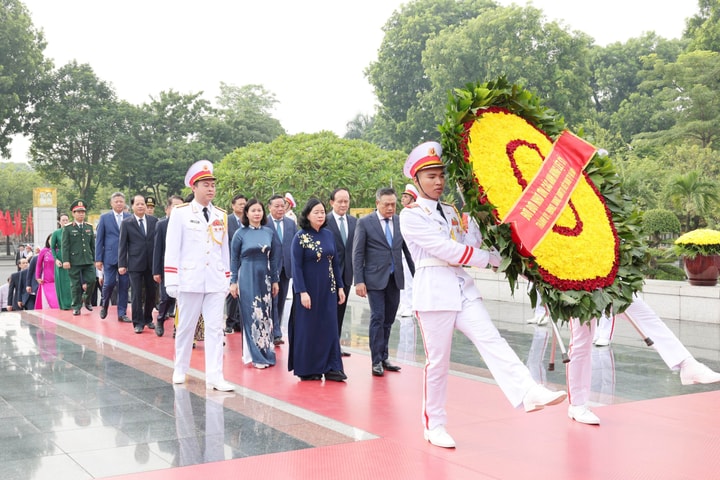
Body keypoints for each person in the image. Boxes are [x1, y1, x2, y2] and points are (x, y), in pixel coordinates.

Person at [399, 141, 567, 449]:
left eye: (441, 176)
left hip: (462, 289)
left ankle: (528, 390)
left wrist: (476, 214)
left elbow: (469, 240)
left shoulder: (451, 211)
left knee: (492, 340)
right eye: (431, 176)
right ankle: (434, 424)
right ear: (417, 180)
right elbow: (446, 250)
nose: (439, 182)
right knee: (438, 363)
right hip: (434, 292)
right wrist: (488, 259)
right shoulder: (410, 215)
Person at [565, 295, 720, 425]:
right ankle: (577, 404)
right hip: (578, 284)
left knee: (645, 315)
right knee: (581, 342)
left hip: (611, 279)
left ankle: (687, 364)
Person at [164, 160, 233, 392]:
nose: (211, 189)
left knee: (215, 329)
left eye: (213, 184)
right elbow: (172, 247)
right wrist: (171, 279)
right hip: (189, 279)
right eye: (206, 184)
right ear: (194, 187)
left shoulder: (220, 215)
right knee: (186, 326)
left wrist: (227, 277)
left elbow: (224, 250)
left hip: (214, 280)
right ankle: (180, 367)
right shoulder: (181, 213)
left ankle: (215, 376)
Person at [353, 187, 410, 377]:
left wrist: (418, 274)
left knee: (389, 319)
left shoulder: (400, 221)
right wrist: (359, 280)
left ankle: (385, 356)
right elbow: (358, 253)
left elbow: (407, 251)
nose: (391, 208)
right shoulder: (365, 223)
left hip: (395, 278)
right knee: (377, 317)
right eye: (387, 204)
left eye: (394, 204)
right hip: (374, 279)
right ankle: (375, 360)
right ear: (377, 203)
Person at [289, 198, 346, 382]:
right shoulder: (300, 237)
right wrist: (302, 291)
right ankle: (308, 368)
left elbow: (335, 263)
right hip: (308, 290)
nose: (320, 215)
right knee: (308, 328)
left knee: (329, 326)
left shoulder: (329, 235)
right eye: (316, 212)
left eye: (322, 212)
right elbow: (296, 267)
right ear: (307, 215)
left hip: (328, 289)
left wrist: (340, 287)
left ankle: (331, 367)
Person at [229, 198, 281, 368]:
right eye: (253, 211)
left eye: (259, 210)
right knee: (252, 314)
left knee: (265, 316)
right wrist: (233, 281)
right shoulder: (240, 233)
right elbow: (234, 259)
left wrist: (275, 280)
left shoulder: (269, 233)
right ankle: (255, 356)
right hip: (247, 276)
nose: (257, 213)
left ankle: (266, 352)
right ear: (247, 214)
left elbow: (273, 259)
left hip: (264, 277)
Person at [119, 194, 158, 334]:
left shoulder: (154, 221)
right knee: (136, 294)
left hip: (151, 263)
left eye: (143, 204)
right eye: (138, 204)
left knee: (151, 292)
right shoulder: (127, 223)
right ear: (133, 206)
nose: (141, 206)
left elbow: (157, 243)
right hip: (135, 263)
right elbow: (122, 245)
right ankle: (138, 322)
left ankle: (148, 318)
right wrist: (122, 264)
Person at [325, 187, 356, 357]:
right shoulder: (324, 221)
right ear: (332, 203)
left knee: (340, 311)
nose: (344, 204)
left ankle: (335, 345)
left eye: (346, 201)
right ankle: (325, 346)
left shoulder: (353, 222)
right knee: (327, 311)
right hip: (327, 274)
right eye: (340, 201)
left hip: (346, 274)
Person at [95, 192, 131, 323]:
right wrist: (98, 259)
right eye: (116, 201)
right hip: (109, 256)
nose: (119, 203)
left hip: (125, 258)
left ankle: (122, 313)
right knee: (109, 283)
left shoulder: (129, 217)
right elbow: (99, 239)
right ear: (111, 203)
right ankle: (104, 304)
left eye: (121, 201)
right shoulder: (105, 218)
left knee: (124, 285)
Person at [267, 194, 298, 345]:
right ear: (269, 207)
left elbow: (294, 245)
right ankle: (271, 331)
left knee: (280, 301)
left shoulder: (291, 223)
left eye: (282, 206)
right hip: (268, 269)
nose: (280, 209)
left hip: (286, 268)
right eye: (277, 206)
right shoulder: (264, 223)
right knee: (271, 300)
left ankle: (277, 332)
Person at [153, 195, 184, 337]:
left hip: (185, 268)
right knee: (165, 298)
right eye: (175, 206)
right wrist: (156, 271)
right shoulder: (161, 225)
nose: (178, 209)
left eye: (181, 206)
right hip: (167, 268)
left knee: (182, 300)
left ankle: (179, 328)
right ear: (168, 209)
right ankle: (160, 320)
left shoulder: (187, 224)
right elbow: (157, 249)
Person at [62, 200, 96, 316]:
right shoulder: (68, 228)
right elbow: (65, 246)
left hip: (88, 259)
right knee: (75, 285)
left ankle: (86, 299)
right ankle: (76, 306)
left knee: (92, 280)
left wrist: (95, 259)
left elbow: (92, 245)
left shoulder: (89, 227)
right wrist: (65, 260)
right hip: (74, 261)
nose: (81, 214)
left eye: (83, 212)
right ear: (73, 213)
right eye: (78, 212)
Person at [225, 193, 247, 335]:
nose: (243, 206)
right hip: (231, 261)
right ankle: (230, 321)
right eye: (240, 204)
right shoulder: (227, 221)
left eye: (244, 204)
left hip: (245, 262)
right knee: (232, 293)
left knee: (243, 292)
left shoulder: (248, 221)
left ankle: (240, 321)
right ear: (233, 206)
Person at [398, 184, 419, 318]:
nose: (403, 199)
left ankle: (410, 306)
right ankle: (404, 305)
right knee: (402, 281)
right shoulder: (405, 212)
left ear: (412, 199)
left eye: (406, 197)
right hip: (402, 252)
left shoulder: (414, 212)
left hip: (410, 252)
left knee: (409, 281)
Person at [50, 214, 72, 310]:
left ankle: (73, 303)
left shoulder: (72, 231)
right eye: (63, 220)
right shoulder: (56, 233)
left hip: (72, 258)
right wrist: (56, 259)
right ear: (59, 222)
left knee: (72, 282)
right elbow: (52, 248)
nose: (65, 222)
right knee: (62, 282)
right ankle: (64, 304)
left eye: (67, 220)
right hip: (61, 259)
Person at [35, 234, 59, 309]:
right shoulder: (43, 251)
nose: (52, 241)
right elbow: (38, 265)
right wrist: (37, 277)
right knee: (48, 302)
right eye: (50, 239)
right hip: (47, 281)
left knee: (57, 302)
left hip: (58, 280)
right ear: (47, 241)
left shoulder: (60, 251)